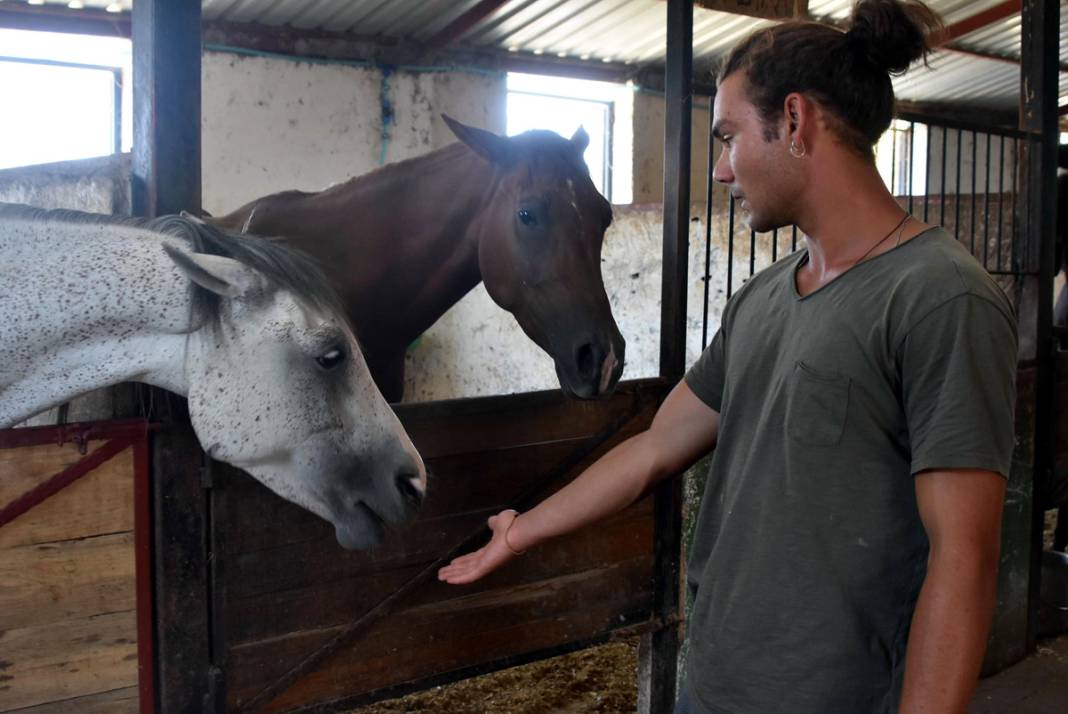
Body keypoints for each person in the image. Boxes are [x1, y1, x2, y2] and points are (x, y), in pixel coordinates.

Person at [439, 1, 1018, 711]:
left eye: (728, 137)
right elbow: (656, 449)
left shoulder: (941, 298)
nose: (719, 170)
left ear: (795, 121)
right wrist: (520, 532)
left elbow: (964, 560)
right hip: (713, 686)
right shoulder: (763, 298)